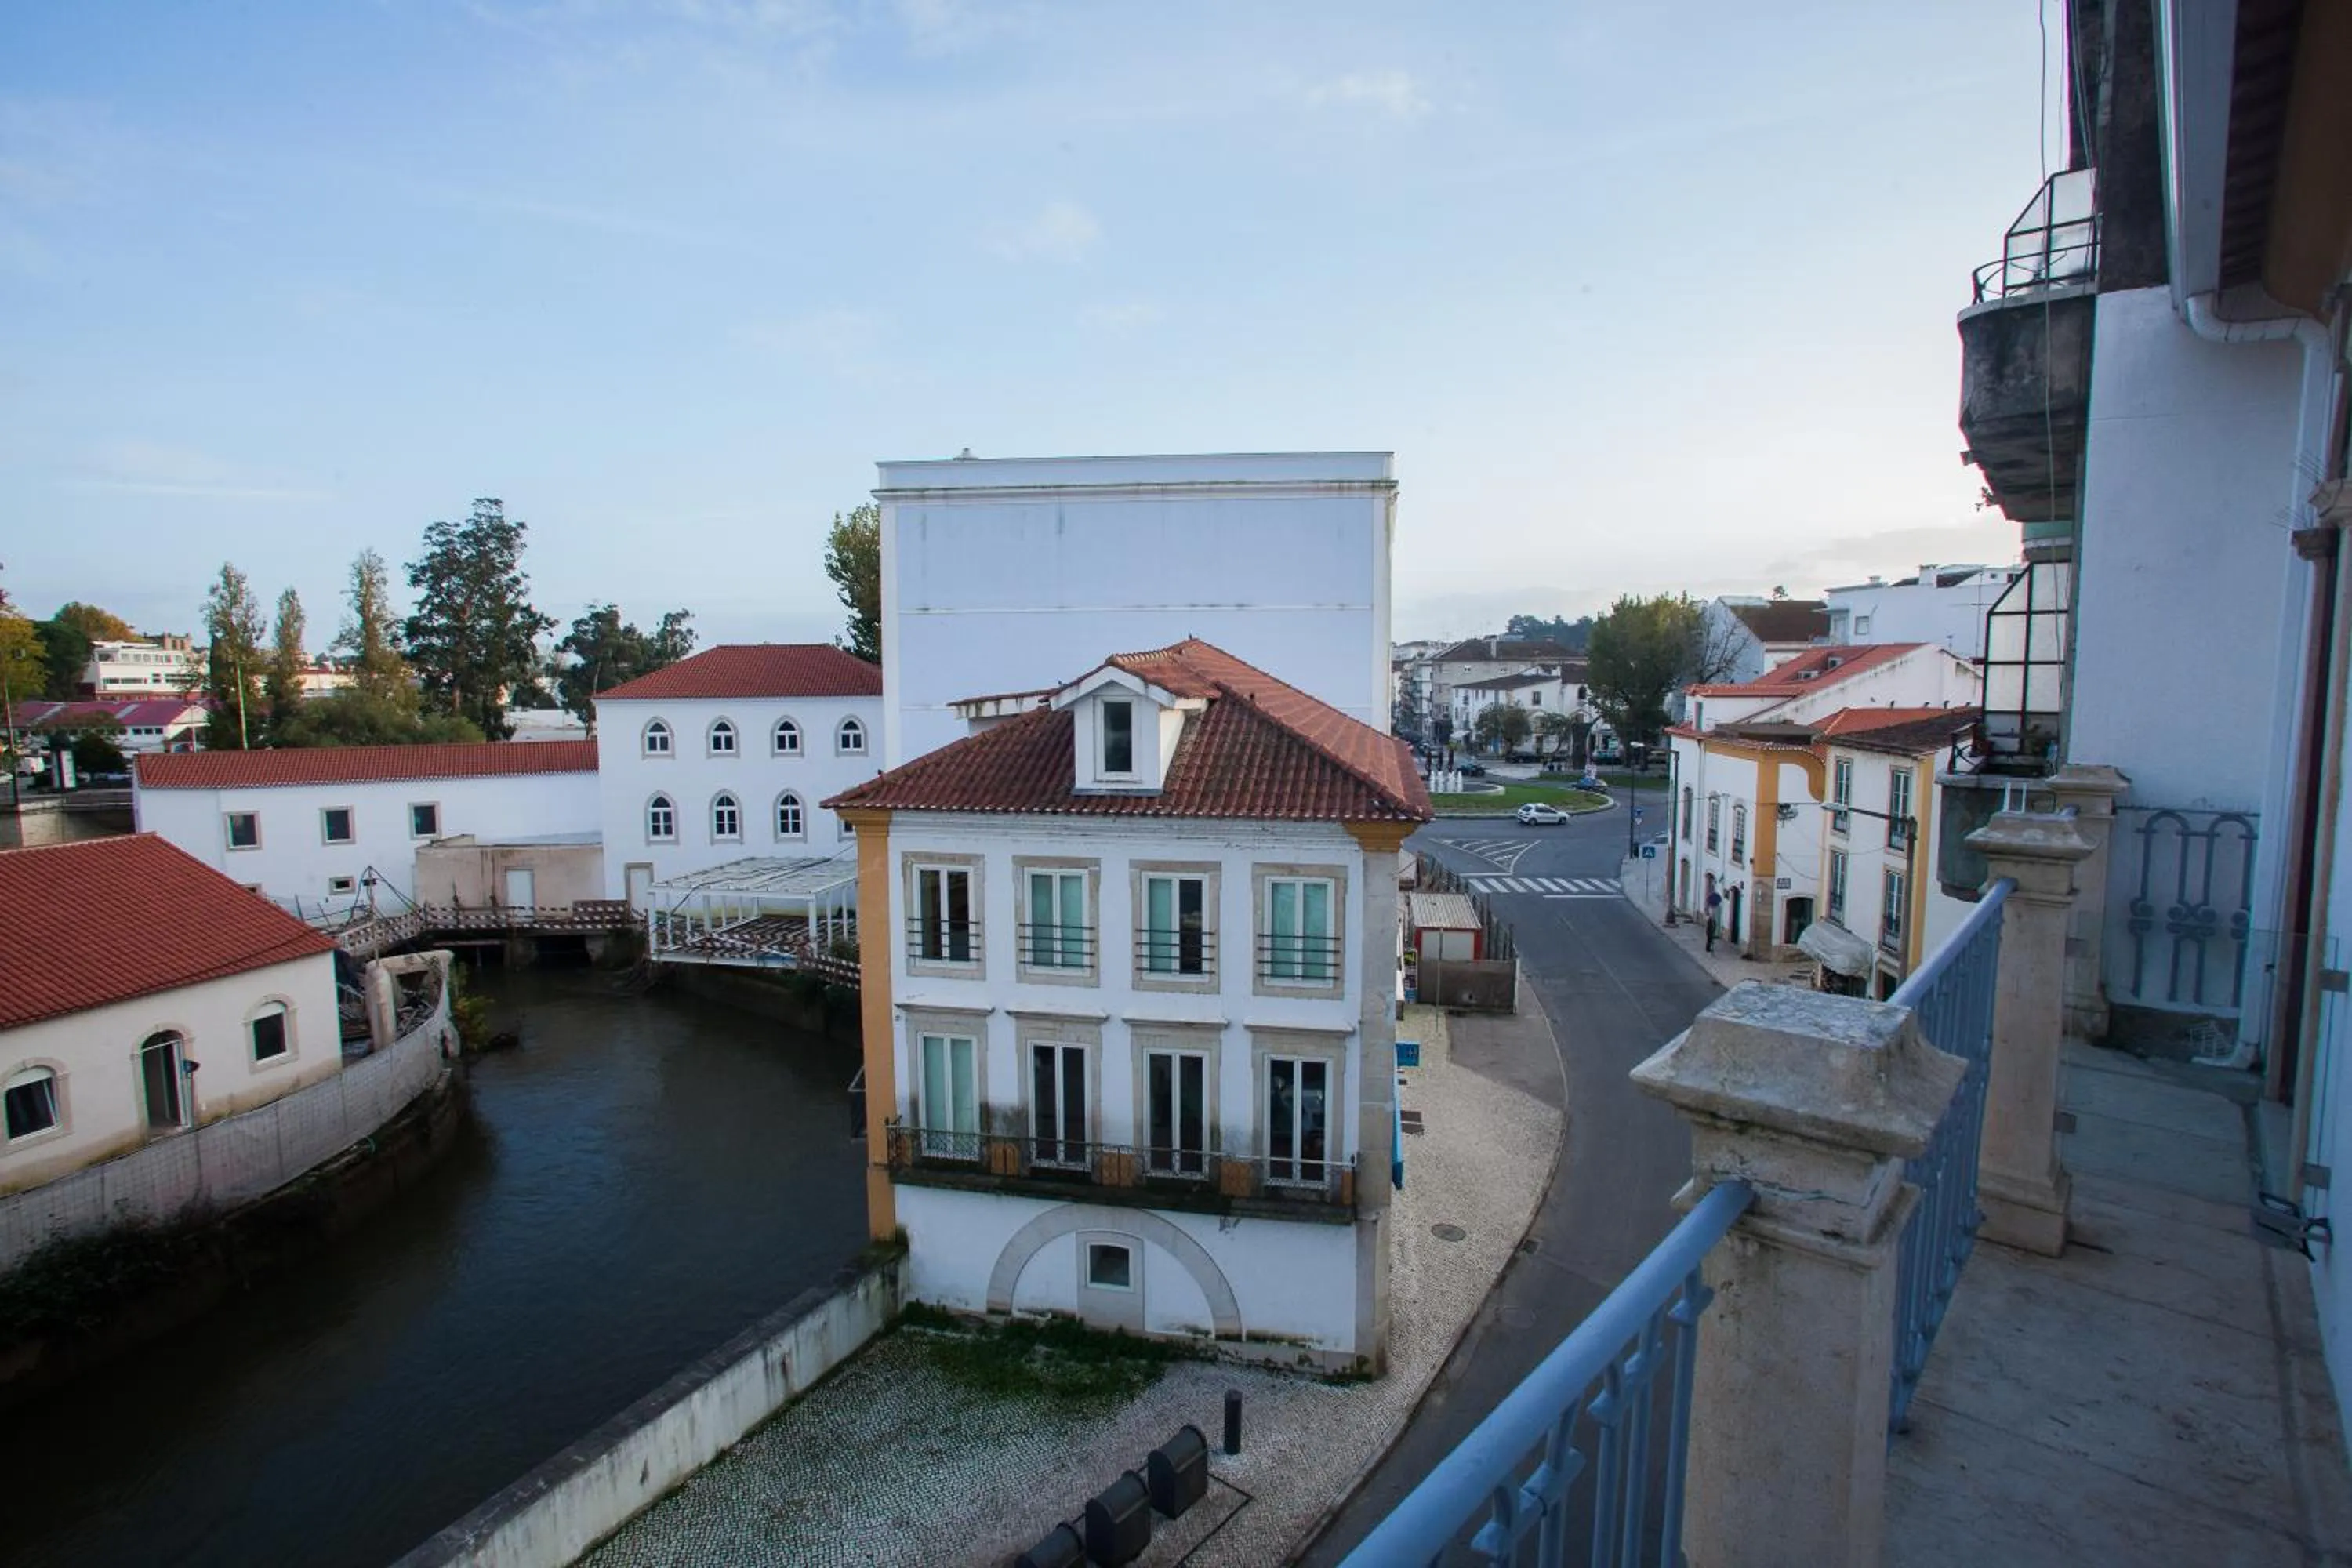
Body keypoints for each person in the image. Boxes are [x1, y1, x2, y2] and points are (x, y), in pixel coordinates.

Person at [1704, 886, 1723, 953]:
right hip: (1710, 921)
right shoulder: (1709, 907)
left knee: (1710, 935)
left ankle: (1710, 946)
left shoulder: (1714, 907)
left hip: (1712, 920)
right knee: (1709, 936)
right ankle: (1708, 947)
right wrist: (1709, 916)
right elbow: (1707, 914)